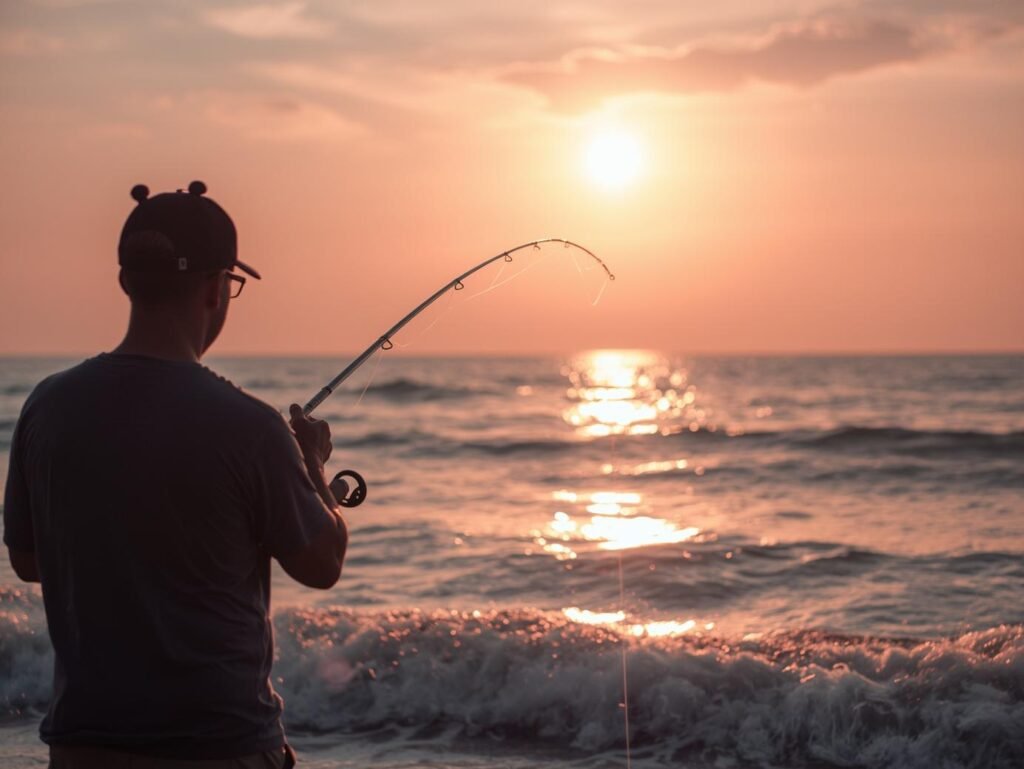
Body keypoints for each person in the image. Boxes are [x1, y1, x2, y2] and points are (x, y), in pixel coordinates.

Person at [3, 181, 349, 768]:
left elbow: (29, 562)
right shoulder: (250, 427)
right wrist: (313, 465)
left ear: (125, 282)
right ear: (218, 289)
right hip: (221, 748)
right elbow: (322, 565)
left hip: (83, 749)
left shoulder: (46, 407)